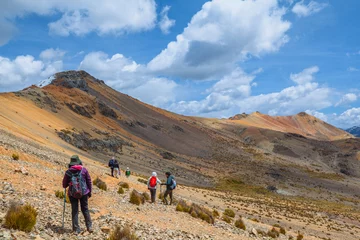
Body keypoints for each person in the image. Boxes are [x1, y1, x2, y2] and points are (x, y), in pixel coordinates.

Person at [62, 155, 93, 234]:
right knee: (85, 209)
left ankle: (76, 229)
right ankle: (89, 226)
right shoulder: (84, 170)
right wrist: (89, 192)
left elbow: (64, 185)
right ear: (79, 162)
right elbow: (89, 181)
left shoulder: (68, 172)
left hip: (72, 194)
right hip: (84, 192)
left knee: (75, 210)